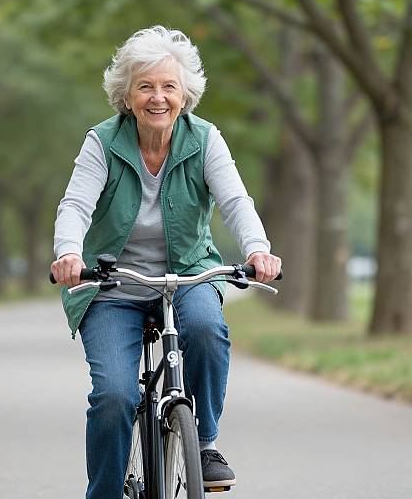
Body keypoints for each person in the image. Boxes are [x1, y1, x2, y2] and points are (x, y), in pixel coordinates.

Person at [51, 26, 281, 499]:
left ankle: (206, 443)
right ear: (127, 95)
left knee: (206, 331)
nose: (158, 97)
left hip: (188, 276)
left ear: (185, 94)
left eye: (168, 86)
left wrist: (258, 248)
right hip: (113, 285)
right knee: (115, 396)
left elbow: (235, 201)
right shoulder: (103, 142)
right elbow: (75, 205)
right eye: (146, 86)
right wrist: (69, 253)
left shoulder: (205, 139)